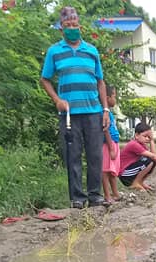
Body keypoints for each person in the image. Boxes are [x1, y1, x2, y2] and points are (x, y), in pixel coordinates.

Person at [40, 6, 111, 208]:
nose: (72, 28)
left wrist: (105, 110)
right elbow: (45, 79)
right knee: (73, 156)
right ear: (61, 29)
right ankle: (78, 199)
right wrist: (57, 99)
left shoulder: (91, 51)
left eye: (75, 25)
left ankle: (95, 195)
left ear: (80, 26)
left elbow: (100, 82)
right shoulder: (55, 52)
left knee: (95, 155)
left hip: (93, 111)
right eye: (67, 25)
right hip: (69, 114)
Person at [118, 123, 156, 191]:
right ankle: (136, 183)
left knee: (154, 161)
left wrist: (152, 140)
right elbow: (153, 156)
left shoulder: (142, 144)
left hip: (130, 172)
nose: (147, 139)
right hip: (125, 175)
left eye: (149, 137)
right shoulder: (134, 144)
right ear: (136, 135)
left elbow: (155, 155)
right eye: (145, 136)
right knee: (150, 160)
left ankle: (140, 182)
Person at [101, 85, 121, 204]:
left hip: (114, 142)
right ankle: (107, 195)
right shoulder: (103, 113)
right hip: (107, 144)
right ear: (107, 98)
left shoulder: (110, 114)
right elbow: (105, 129)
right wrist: (111, 148)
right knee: (105, 170)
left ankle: (115, 193)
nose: (115, 99)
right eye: (114, 96)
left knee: (112, 170)